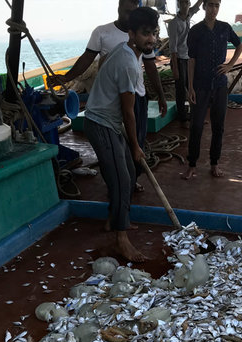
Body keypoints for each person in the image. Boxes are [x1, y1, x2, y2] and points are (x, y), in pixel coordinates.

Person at [49, 0, 167, 192]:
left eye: (133, 11)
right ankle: (120, 182)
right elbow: (87, 58)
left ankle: (131, 179)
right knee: (119, 147)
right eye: (126, 11)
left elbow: (151, 65)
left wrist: (160, 96)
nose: (129, 16)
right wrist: (66, 77)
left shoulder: (143, 32)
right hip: (114, 100)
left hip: (136, 95)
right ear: (119, 8)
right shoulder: (102, 32)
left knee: (136, 141)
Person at [83, 7, 161, 263]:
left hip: (110, 122)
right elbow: (129, 113)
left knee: (126, 170)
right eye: (145, 34)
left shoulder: (130, 52)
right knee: (121, 178)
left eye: (154, 33)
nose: (151, 39)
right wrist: (136, 145)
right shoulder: (128, 62)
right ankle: (121, 239)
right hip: (101, 123)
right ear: (131, 34)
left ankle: (115, 220)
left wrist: (132, 150)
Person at [182, 0, 242, 180]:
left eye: (217, 5)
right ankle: (192, 164)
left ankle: (214, 163)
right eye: (210, 5)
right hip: (200, 85)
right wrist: (190, 87)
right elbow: (191, 61)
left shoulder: (225, 28)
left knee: (219, 126)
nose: (213, 9)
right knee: (196, 126)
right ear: (204, 7)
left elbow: (239, 45)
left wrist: (230, 65)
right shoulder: (195, 31)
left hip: (219, 85)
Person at [167, 0, 203, 127]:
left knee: (193, 86)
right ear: (179, 5)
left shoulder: (189, 16)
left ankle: (195, 115)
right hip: (179, 60)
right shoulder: (174, 24)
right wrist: (175, 68)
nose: (185, 5)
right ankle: (182, 118)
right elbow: (173, 47)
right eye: (183, 3)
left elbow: (197, 6)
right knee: (181, 89)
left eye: (187, 3)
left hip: (188, 59)